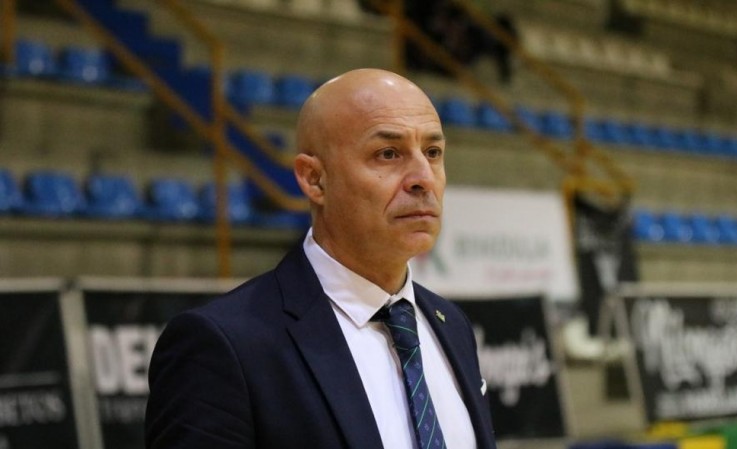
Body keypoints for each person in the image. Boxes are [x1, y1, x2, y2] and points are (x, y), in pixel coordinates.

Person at [145, 68, 497, 449]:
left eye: (433, 152)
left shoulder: (452, 325)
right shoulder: (223, 344)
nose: (423, 177)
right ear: (314, 179)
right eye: (388, 154)